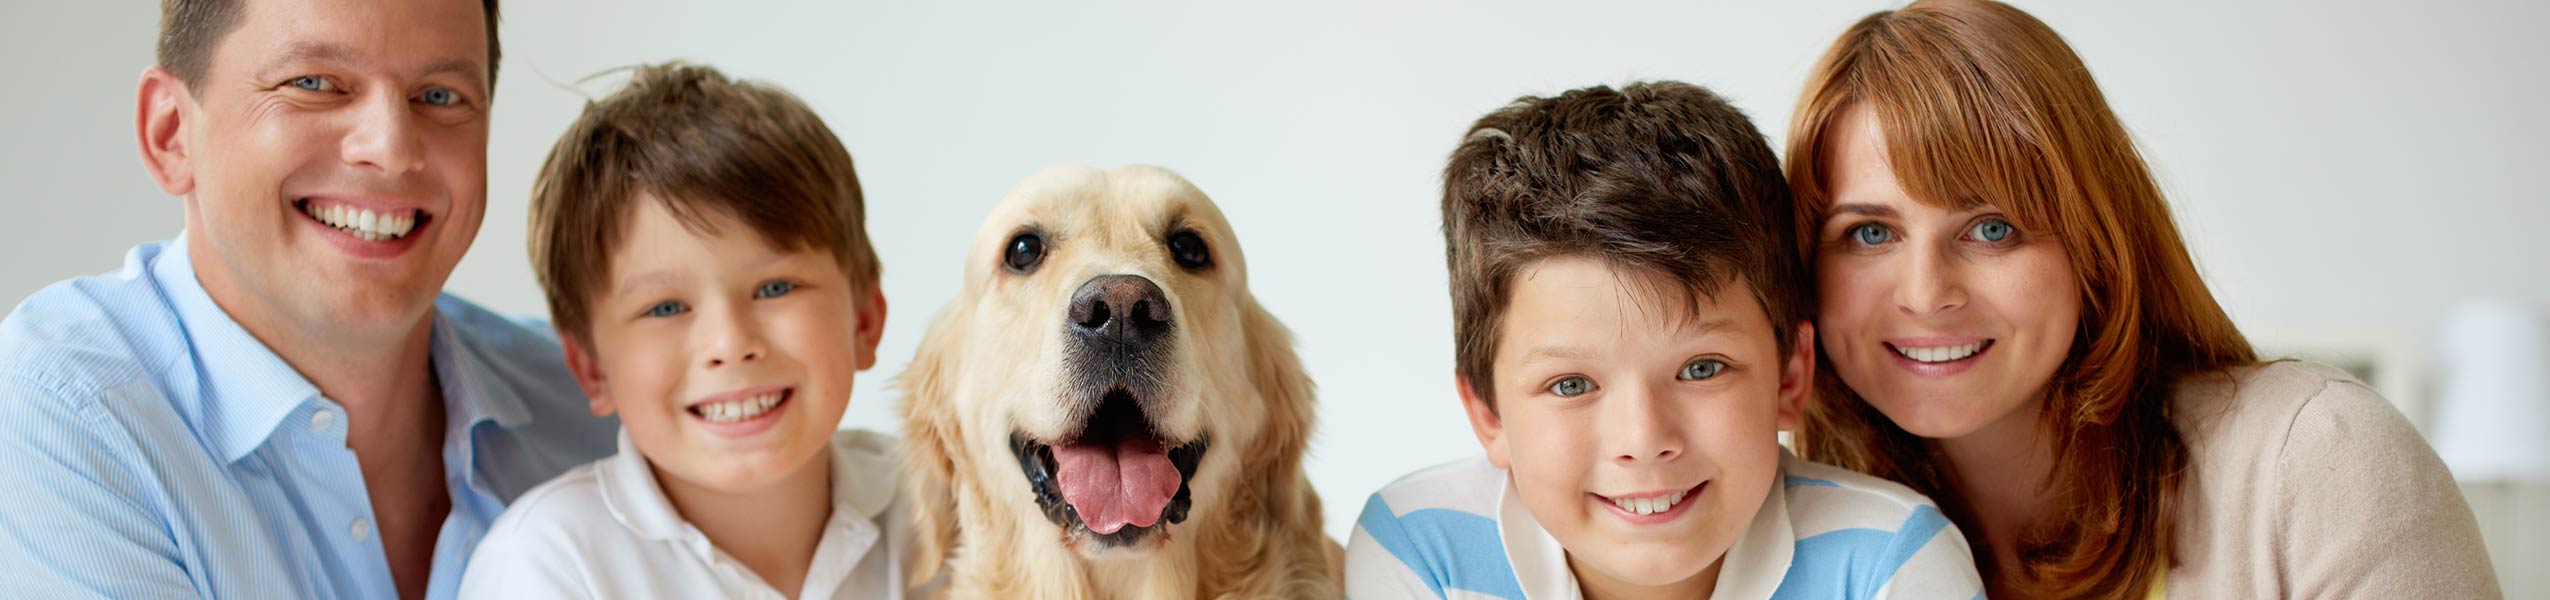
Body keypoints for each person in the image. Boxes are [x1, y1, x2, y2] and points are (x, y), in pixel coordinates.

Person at [1783, 1, 2501, 597]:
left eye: (1991, 228)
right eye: (1870, 232)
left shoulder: (2314, 464)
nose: (1926, 293)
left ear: (2094, 240)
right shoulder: (1794, 532)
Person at [0, 1, 618, 598]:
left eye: (439, 95)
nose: (393, 147)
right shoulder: (62, 417)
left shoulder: (602, 407)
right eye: (315, 82)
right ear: (171, 133)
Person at [1346, 81, 1982, 599]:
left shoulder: (1890, 562)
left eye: (1702, 369)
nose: (1644, 440)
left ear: (1790, 378)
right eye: (1571, 384)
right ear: (1489, 414)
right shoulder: (1420, 547)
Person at [454, 62, 920, 599]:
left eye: (774, 288)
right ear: (591, 368)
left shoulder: (947, 505)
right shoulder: (547, 565)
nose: (730, 344)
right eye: (666, 307)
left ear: (864, 319)